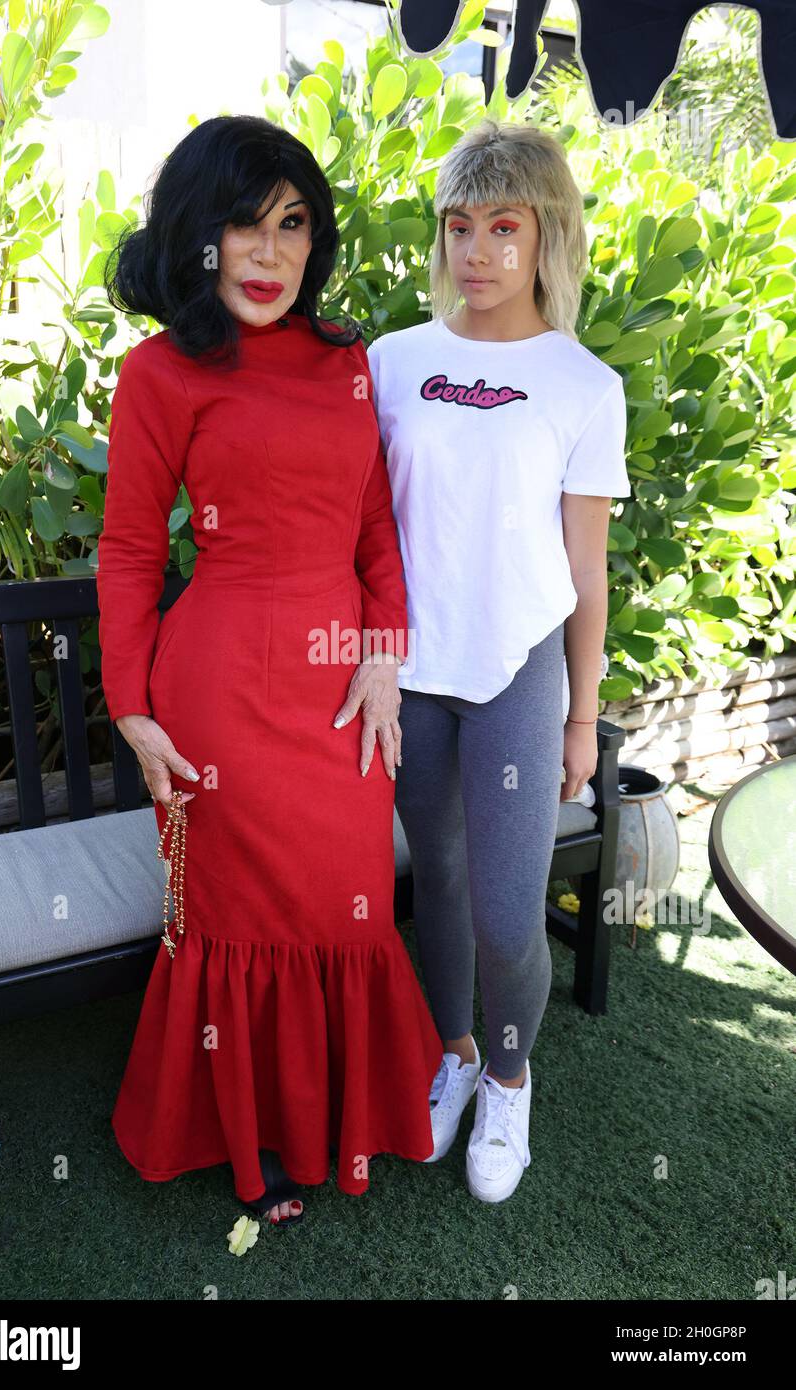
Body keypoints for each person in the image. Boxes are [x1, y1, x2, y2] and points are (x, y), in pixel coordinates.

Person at [97, 114, 443, 1229]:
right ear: (196, 236)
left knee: (345, 916)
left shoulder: (346, 361)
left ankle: (338, 1116)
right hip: (217, 705)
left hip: (340, 695)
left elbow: (377, 533)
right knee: (230, 922)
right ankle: (254, 1148)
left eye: (293, 224)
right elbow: (133, 551)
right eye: (242, 224)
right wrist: (131, 706)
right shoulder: (160, 373)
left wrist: (385, 656)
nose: (268, 251)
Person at [367, 120, 632, 1203]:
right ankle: (458, 1056)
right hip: (415, 672)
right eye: (459, 225)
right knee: (435, 883)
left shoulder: (583, 385)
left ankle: (511, 1078)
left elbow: (587, 567)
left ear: (544, 236)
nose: (477, 251)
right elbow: (363, 526)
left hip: (520, 671)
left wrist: (582, 714)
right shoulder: (392, 362)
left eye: (504, 226)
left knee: (507, 910)